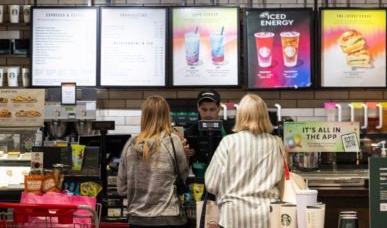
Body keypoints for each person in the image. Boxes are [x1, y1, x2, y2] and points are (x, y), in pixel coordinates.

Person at [205, 93, 284, 228]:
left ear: (240, 115)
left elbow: (211, 183)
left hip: (233, 216)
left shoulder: (229, 142)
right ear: (264, 115)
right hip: (267, 217)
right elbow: (282, 180)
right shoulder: (277, 143)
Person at [117, 95, 189, 227]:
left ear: (144, 116)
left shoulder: (130, 145)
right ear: (167, 115)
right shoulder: (173, 141)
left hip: (137, 219)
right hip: (169, 218)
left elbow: (121, 189)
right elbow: (183, 177)